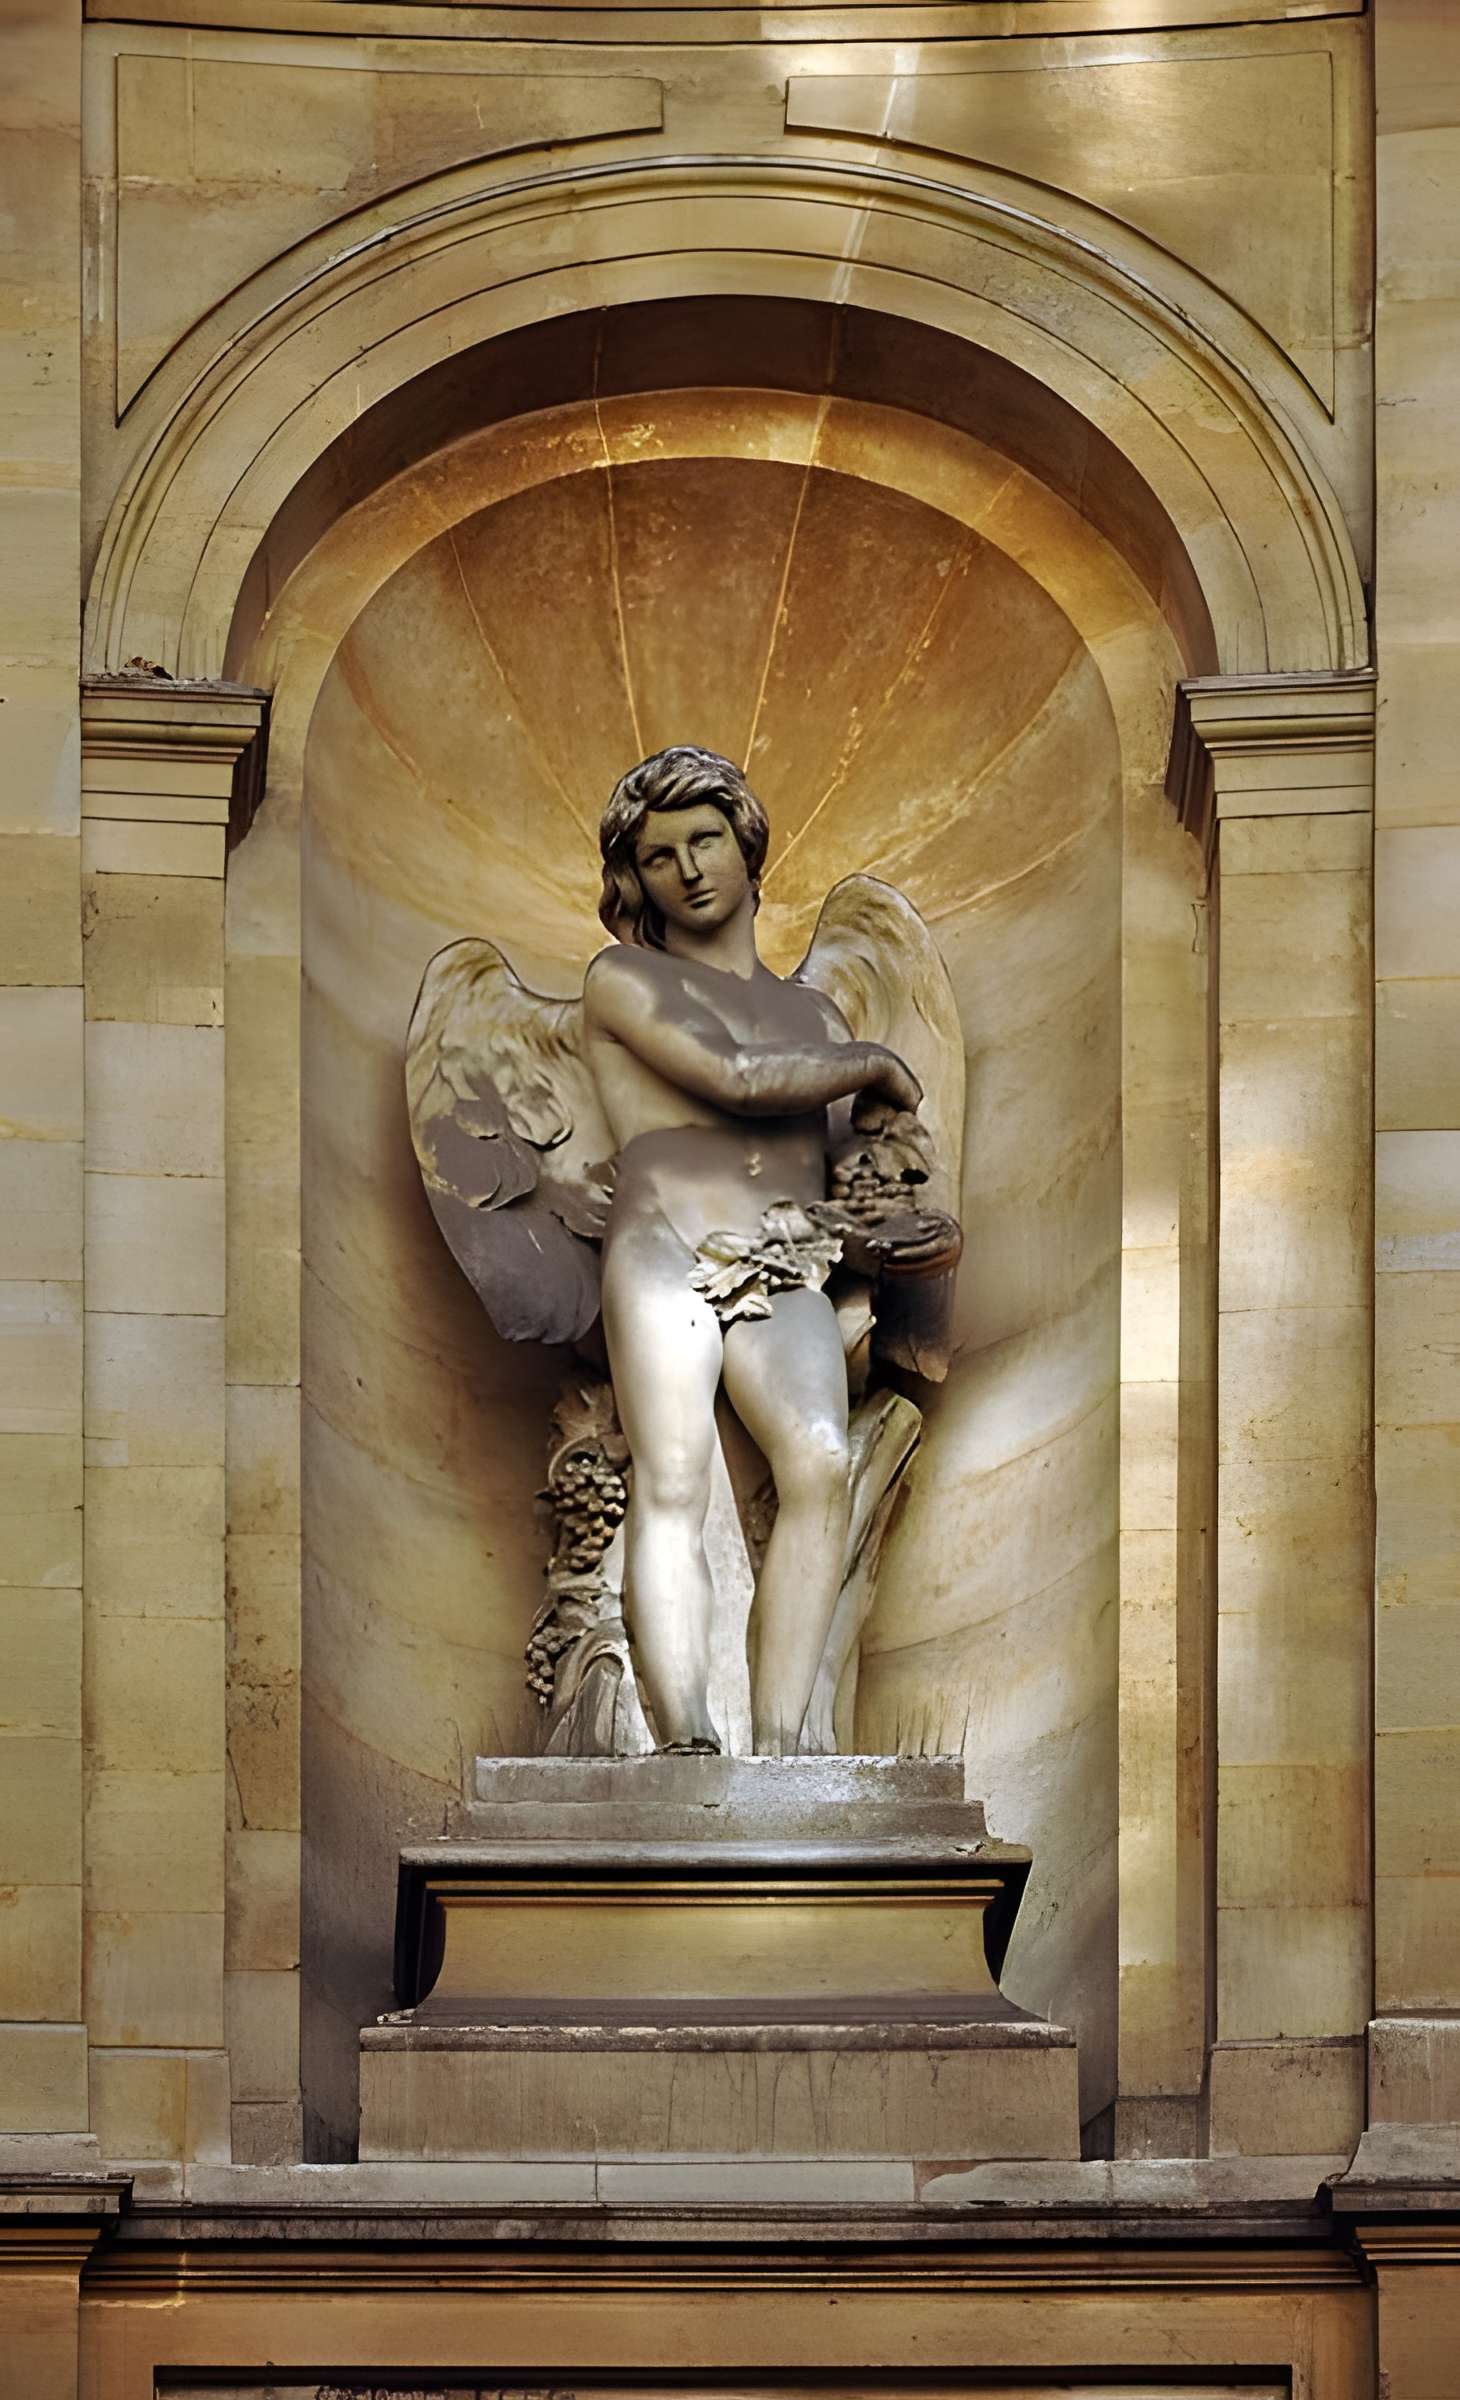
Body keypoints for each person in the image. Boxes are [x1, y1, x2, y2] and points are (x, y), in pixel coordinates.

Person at [582, 744, 928, 1756]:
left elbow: (840, 1175)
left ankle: (781, 1741)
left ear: (746, 848)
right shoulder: (621, 978)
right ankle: (685, 1735)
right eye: (659, 856)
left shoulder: (811, 1014)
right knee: (672, 1475)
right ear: (635, 878)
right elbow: (733, 1076)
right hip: (665, 1244)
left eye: (705, 840)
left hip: (782, 1257)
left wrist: (893, 1215)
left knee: (820, 1459)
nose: (688, 869)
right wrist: (874, 1063)